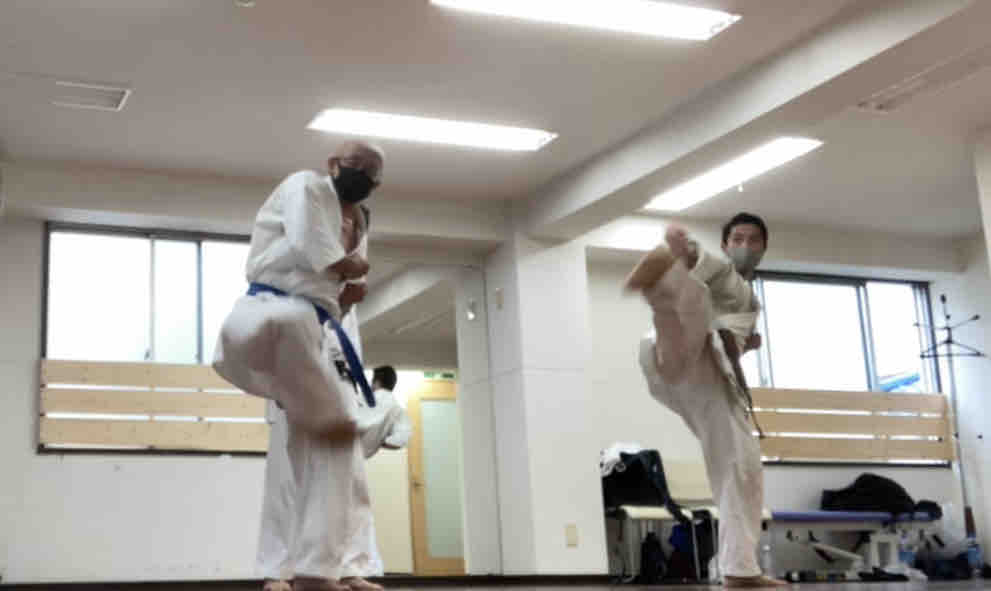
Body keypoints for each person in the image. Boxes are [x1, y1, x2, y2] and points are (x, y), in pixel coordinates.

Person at [213, 141, 384, 591]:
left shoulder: (360, 219)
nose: (362, 175)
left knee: (341, 456)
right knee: (288, 472)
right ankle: (277, 569)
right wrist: (350, 265)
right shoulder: (305, 186)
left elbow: (340, 294)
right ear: (333, 164)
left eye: (371, 173)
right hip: (271, 317)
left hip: (320, 336)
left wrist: (349, 291)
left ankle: (332, 567)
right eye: (355, 165)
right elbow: (315, 248)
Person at [625, 213, 785, 588]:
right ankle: (665, 296)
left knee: (743, 467)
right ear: (726, 244)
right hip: (697, 362)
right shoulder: (728, 276)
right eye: (738, 238)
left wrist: (749, 345)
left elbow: (731, 343)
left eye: (754, 240)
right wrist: (685, 250)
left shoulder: (747, 302)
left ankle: (740, 568)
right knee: (695, 311)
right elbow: (704, 266)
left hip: (678, 370)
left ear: (764, 247)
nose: (745, 246)